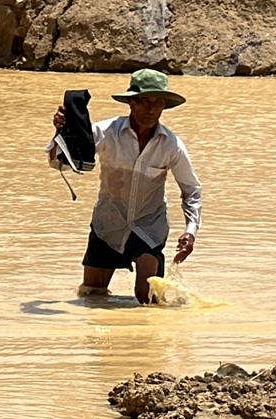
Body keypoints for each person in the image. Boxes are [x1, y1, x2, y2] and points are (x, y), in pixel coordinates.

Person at [48, 68, 202, 305]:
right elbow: (61, 164)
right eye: (144, 101)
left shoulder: (171, 145)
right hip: (108, 224)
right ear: (131, 102)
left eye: (157, 102)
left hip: (149, 226)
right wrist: (62, 132)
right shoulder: (105, 132)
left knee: (147, 297)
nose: (150, 109)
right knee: (91, 295)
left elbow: (191, 190)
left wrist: (190, 231)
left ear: (164, 105)